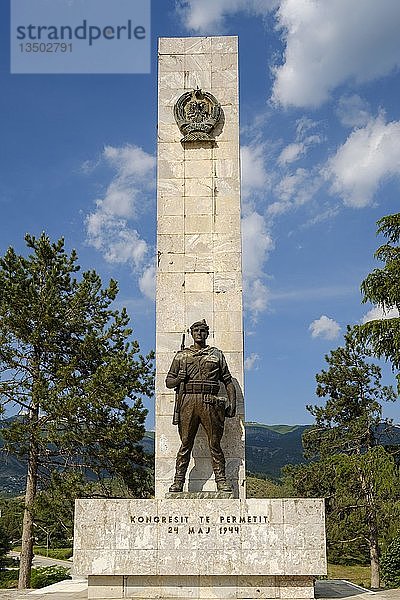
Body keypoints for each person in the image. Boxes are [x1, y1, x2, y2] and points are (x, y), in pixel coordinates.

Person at [166, 319, 236, 493]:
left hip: (209, 400)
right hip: (188, 401)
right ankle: (178, 482)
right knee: (185, 443)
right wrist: (179, 379)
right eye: (196, 330)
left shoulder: (216, 354)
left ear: (207, 333)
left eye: (202, 330)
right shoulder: (181, 355)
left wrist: (232, 402)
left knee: (214, 443)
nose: (199, 333)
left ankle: (221, 481)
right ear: (191, 333)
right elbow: (168, 381)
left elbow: (227, 381)